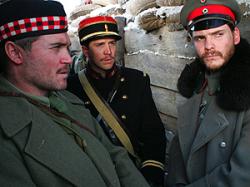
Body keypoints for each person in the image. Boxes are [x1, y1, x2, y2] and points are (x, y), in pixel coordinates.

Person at [0, 1, 151, 186]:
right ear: (15, 53)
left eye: (67, 47)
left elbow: (115, 155)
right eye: (55, 47)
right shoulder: (7, 131)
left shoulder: (70, 101)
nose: (68, 59)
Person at [67, 16, 166, 186]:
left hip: (137, 171)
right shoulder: (72, 88)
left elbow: (153, 133)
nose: (109, 51)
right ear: (85, 50)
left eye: (112, 43)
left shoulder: (137, 80)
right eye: (100, 45)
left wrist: (150, 175)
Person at [166, 0, 250, 186]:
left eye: (218, 34)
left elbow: (240, 177)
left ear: (235, 35)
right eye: (200, 38)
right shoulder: (197, 86)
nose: (209, 46)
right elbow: (179, 152)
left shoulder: (244, 91)